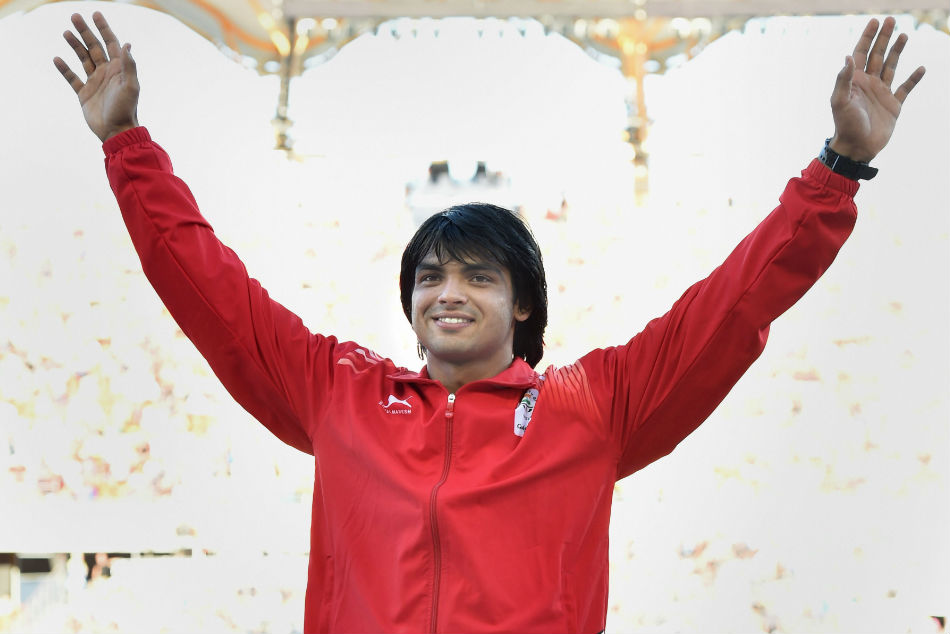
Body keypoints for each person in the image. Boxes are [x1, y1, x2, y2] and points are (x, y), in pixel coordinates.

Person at [53, 12, 924, 633]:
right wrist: (126, 144)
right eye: (430, 277)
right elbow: (208, 289)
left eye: (478, 275)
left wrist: (839, 167)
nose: (449, 293)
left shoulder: (594, 406)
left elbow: (733, 306)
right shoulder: (337, 391)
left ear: (523, 302)